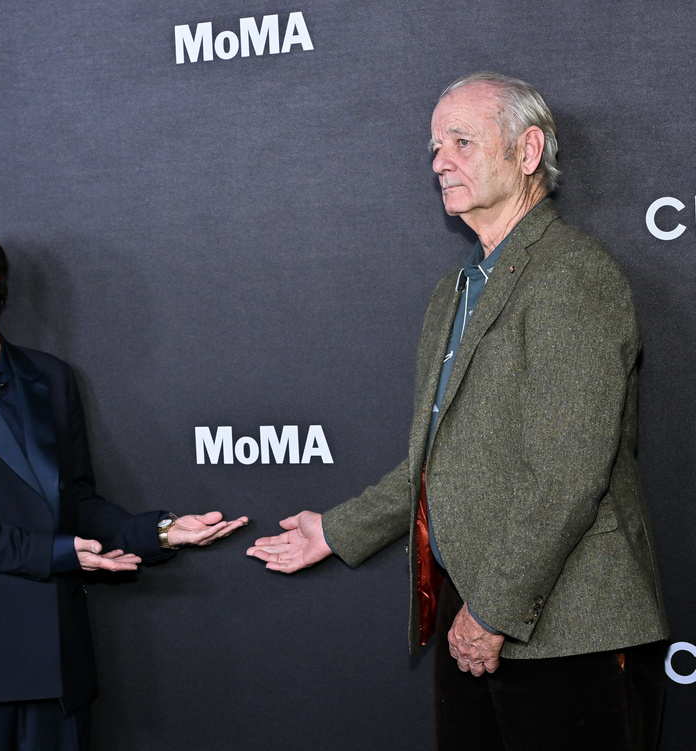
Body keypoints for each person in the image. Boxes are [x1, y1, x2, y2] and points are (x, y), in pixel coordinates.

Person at [247, 72, 668, 750]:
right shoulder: (457, 288)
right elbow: (438, 458)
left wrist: (492, 611)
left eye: (462, 141)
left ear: (528, 152)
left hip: (565, 635)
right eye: (435, 145)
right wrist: (336, 528)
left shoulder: (570, 275)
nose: (440, 159)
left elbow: (565, 474)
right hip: (473, 623)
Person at [0, 212, 248, 751]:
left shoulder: (51, 377)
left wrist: (159, 533)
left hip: (50, 656)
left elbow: (74, 501)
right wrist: (53, 552)